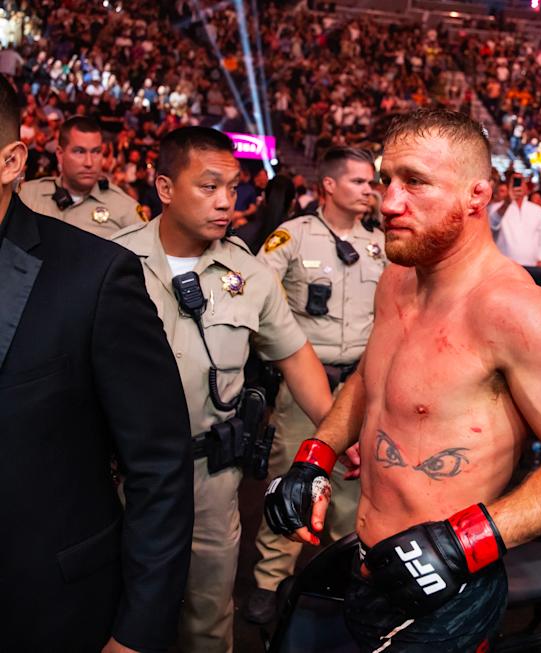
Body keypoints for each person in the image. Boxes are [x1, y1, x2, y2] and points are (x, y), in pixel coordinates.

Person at [263, 108, 541, 651]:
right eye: (386, 180)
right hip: (365, 560)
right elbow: (370, 379)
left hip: (451, 594)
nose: (387, 202)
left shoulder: (516, 311)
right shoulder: (397, 278)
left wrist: (466, 542)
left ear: (476, 196)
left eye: (416, 182)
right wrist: (315, 456)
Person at [112, 126, 333, 653]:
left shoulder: (249, 273)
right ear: (164, 188)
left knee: (208, 616)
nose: (225, 202)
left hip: (208, 477)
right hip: (120, 471)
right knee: (112, 604)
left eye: (233, 188)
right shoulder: (111, 261)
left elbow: (295, 355)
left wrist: (338, 434)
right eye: (208, 186)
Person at [0, 74, 193, 653]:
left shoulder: (95, 276)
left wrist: (135, 634)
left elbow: (158, 465)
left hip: (42, 608)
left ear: (11, 161)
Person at [244, 146, 385, 624]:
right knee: (291, 482)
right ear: (328, 185)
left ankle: (347, 577)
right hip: (308, 386)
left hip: (361, 388)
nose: (370, 190)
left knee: (354, 489)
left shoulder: (379, 245)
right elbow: (258, 296)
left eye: (371, 183)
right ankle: (268, 581)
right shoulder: (295, 236)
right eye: (360, 182)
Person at [19, 115, 147, 239]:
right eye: (79, 152)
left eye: (96, 152)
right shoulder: (28, 195)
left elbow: (149, 256)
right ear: (60, 154)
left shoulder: (125, 207)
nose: (89, 163)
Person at [489, 173, 541, 267]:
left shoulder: (538, 210)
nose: (518, 185)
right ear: (509, 186)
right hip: (504, 267)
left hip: (532, 267)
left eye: (521, 181)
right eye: (514, 182)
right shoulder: (496, 208)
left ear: (527, 187)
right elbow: (492, 224)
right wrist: (507, 202)